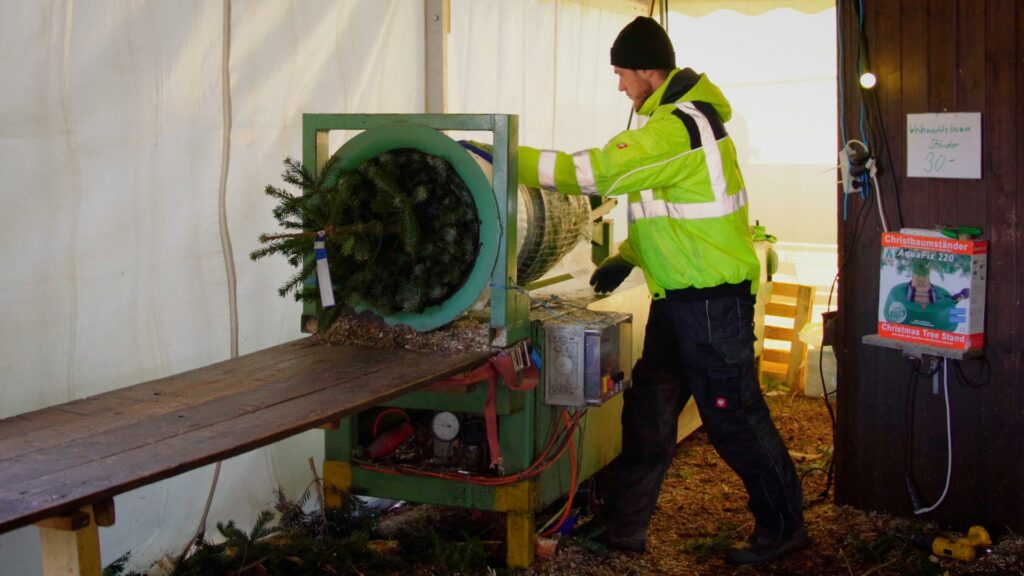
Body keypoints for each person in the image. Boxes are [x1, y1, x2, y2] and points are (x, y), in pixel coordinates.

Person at [515, 16, 807, 566]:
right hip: (679, 300)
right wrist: (628, 254)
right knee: (649, 412)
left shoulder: (681, 126)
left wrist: (507, 155)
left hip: (713, 303)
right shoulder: (672, 123)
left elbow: (597, 172)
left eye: (623, 74)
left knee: (733, 417)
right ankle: (624, 529)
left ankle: (783, 525)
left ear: (649, 71)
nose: (620, 86)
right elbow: (670, 212)